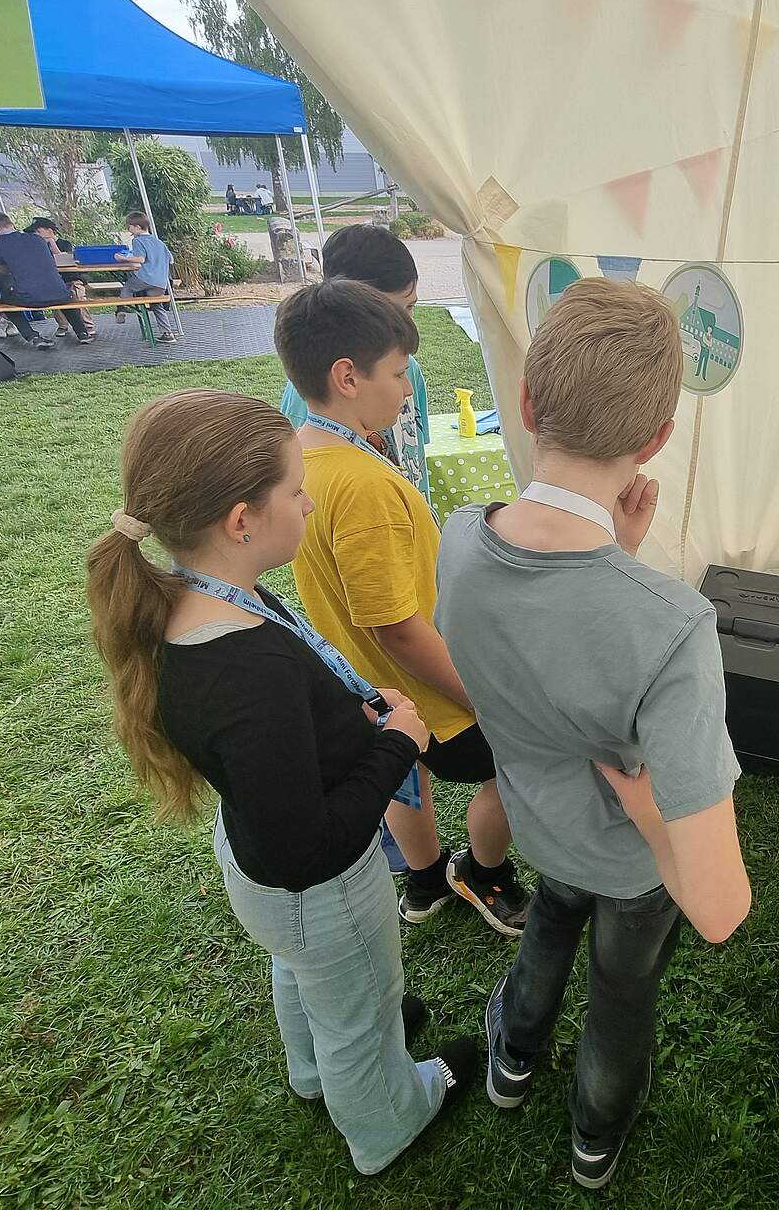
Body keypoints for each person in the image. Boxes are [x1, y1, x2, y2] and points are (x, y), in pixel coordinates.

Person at [84, 388, 480, 1176]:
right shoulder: (248, 672)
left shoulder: (189, 603)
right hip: (319, 888)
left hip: (259, 873)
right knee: (362, 1014)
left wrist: (349, 719)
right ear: (242, 520)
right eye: (296, 491)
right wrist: (398, 743)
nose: (307, 502)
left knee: (302, 976)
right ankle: (387, 1122)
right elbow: (311, 846)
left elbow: (277, 757)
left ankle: (312, 1069)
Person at [435, 278, 751, 1190]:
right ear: (657, 439)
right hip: (629, 864)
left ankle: (511, 1062)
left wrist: (622, 555)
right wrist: (650, 811)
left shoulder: (459, 536)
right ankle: (593, 1140)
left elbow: (551, 642)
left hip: (540, 828)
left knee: (544, 933)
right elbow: (722, 910)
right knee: (620, 994)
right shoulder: (676, 627)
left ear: (529, 405)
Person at [274, 279, 530, 934]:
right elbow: (398, 629)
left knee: (400, 770)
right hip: (430, 690)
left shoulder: (304, 453)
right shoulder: (364, 487)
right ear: (347, 377)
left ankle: (423, 880)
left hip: (363, 685)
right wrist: (483, 698)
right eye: (397, 372)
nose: (405, 386)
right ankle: (484, 873)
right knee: (518, 760)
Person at [280, 224, 432, 509]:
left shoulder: (410, 371)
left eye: (412, 307)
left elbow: (416, 452)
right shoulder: (311, 395)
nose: (407, 325)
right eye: (398, 310)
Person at [0, 211, 90, 345]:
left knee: (4, 302)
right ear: (12, 224)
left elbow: (1, 263)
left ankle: (32, 336)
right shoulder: (37, 239)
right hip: (61, 294)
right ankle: (82, 333)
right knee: (59, 293)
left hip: (29, 298)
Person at [117, 211, 178, 343]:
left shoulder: (138, 241)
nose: (129, 229)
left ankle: (121, 308)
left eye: (129, 226)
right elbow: (171, 260)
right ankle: (167, 333)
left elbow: (140, 259)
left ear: (137, 227)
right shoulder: (159, 242)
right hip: (160, 282)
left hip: (146, 278)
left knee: (127, 287)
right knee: (157, 305)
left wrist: (123, 258)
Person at [27, 217, 92, 337]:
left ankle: (87, 325)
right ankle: (62, 325)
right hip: (53, 280)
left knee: (78, 297)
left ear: (49, 230)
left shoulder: (64, 243)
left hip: (71, 278)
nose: (36, 235)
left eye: (38, 232)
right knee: (54, 299)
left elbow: (63, 259)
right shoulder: (37, 246)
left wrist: (52, 242)